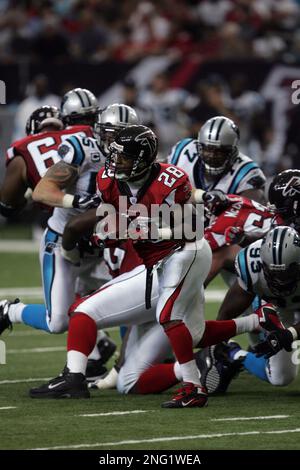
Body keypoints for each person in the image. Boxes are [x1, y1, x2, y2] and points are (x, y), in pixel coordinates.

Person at [213, 226, 300, 388]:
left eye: (286, 273)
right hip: (276, 306)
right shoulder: (251, 263)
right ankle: (234, 353)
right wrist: (218, 340)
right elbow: (230, 308)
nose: (280, 281)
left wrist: (290, 334)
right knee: (280, 377)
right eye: (275, 274)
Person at [168, 116, 266, 208]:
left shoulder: (247, 172)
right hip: (178, 221)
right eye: (208, 149)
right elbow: (158, 178)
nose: (212, 155)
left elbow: (254, 212)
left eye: (220, 151)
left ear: (232, 151)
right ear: (199, 147)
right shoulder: (183, 151)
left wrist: (228, 203)